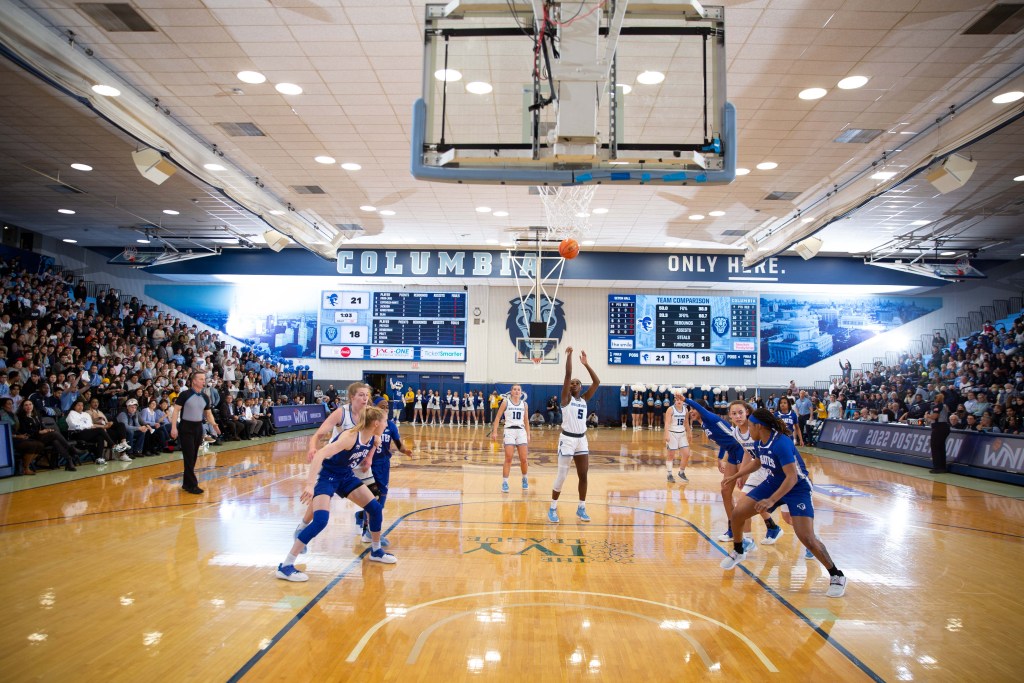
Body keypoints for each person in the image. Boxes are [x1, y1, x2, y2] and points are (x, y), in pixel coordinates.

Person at [719, 408, 847, 598]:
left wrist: (771, 500)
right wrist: (736, 475)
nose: (748, 428)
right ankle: (738, 551)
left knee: (807, 537)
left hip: (797, 489)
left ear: (759, 426)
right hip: (773, 482)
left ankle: (836, 575)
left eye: (751, 425)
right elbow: (758, 461)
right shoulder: (759, 440)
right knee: (738, 513)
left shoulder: (782, 443)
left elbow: (792, 477)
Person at [278, 406, 396, 581]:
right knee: (320, 521)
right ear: (376, 423)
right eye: (385, 421)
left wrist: (368, 457)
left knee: (375, 509)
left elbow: (371, 447)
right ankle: (285, 565)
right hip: (328, 477)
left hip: (346, 476)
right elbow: (320, 455)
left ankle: (376, 550)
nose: (388, 424)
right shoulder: (350, 437)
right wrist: (310, 485)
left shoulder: (374, 437)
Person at [548, 347, 600, 523]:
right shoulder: (565, 399)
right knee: (562, 476)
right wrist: (569, 356)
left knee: (583, 475)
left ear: (581, 387)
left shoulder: (584, 399)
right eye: (572, 383)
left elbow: (597, 382)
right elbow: (568, 374)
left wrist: (586, 364)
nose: (573, 384)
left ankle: (581, 507)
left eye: (577, 383)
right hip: (567, 439)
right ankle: (553, 507)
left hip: (581, 440)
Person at [358, 397, 413, 543]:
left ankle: (365, 522)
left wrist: (405, 451)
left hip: (383, 465)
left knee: (380, 498)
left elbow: (399, 444)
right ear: (375, 408)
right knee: (372, 498)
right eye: (382, 406)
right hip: (369, 465)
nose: (386, 408)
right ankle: (368, 532)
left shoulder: (391, 426)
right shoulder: (368, 425)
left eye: (387, 406)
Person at [168, 371, 221, 495]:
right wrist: (174, 427)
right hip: (186, 427)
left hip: (198, 427)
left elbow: (208, 413)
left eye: (204, 379)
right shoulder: (185, 394)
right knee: (189, 455)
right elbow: (175, 411)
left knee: (193, 456)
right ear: (194, 381)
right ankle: (192, 485)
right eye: (201, 379)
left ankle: (186, 483)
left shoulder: (205, 397)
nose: (204, 381)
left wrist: (214, 425)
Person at [491, 384, 531, 493]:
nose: (517, 391)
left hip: (521, 431)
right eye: (514, 389)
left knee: (524, 459)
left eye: (518, 390)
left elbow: (526, 420)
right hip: (509, 431)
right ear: (511, 391)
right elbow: (498, 417)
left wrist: (528, 434)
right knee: (508, 458)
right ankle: (505, 482)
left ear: (521, 392)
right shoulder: (505, 402)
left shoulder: (524, 404)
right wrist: (495, 431)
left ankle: (524, 478)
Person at [664, 390, 693, 483]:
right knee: (671, 455)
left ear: (683, 401)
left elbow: (686, 423)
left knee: (687, 454)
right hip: (672, 433)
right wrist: (666, 434)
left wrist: (689, 433)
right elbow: (667, 423)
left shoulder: (686, 409)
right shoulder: (670, 409)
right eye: (677, 400)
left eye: (680, 399)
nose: (679, 401)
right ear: (674, 401)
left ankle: (681, 472)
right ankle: (669, 474)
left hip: (682, 434)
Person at [925, 391, 950, 474]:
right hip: (944, 427)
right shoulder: (944, 406)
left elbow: (935, 416)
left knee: (935, 447)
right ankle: (942, 467)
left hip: (939, 427)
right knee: (941, 447)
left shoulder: (938, 406)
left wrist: (927, 415)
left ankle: (937, 467)